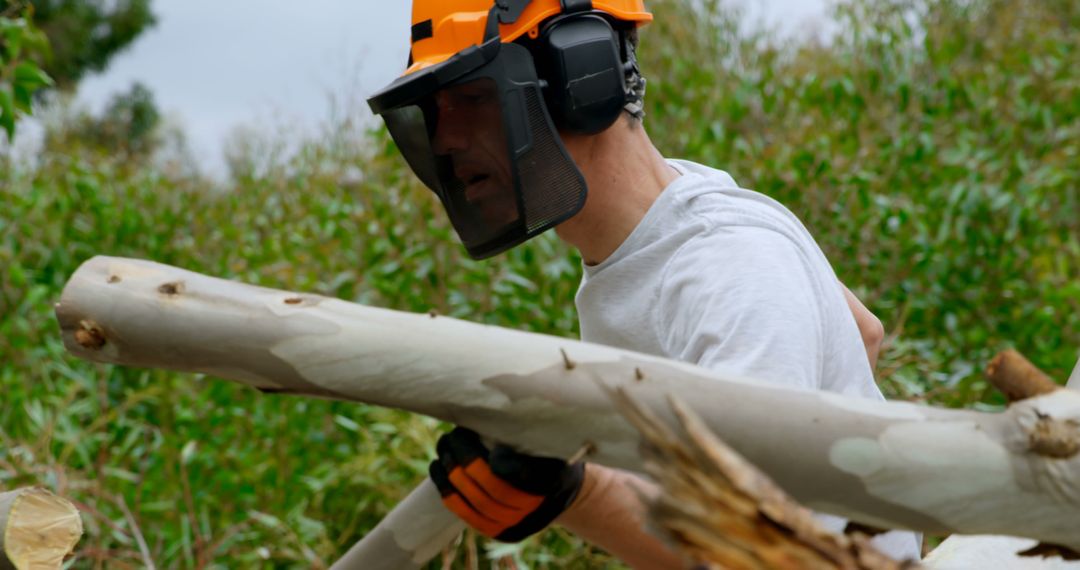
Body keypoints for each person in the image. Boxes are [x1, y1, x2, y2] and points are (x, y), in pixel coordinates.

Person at [366, 0, 919, 566]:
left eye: (473, 98)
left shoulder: (729, 261)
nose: (445, 140)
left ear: (582, 77)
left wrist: (573, 489)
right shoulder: (673, 222)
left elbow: (751, 545)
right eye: (436, 110)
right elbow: (863, 332)